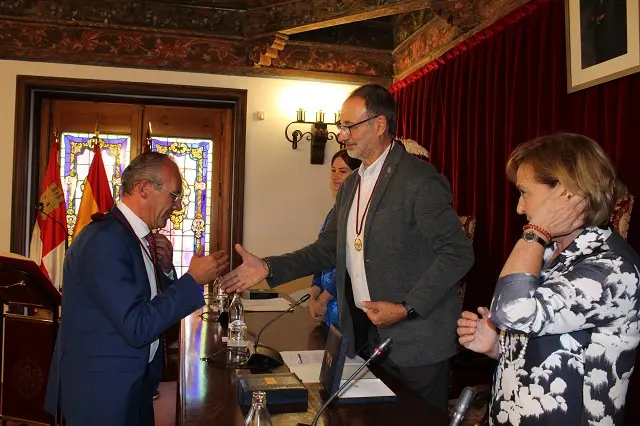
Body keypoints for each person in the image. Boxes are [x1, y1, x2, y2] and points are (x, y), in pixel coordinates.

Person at [221, 83, 474, 413]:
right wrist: (270, 267)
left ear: (379, 125)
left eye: (349, 126)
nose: (341, 136)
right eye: (341, 127)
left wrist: (406, 307)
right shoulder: (351, 185)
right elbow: (328, 248)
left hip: (418, 340)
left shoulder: (418, 179)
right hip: (368, 335)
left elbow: (457, 253)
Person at [457, 133, 640, 425]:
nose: (519, 208)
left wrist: (536, 230)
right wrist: (497, 346)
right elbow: (544, 337)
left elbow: (512, 313)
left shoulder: (612, 267)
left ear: (567, 193)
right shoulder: (547, 252)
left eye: (524, 193)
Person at [44, 152, 229, 426]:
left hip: (133, 385)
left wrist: (166, 270)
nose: (178, 206)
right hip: (102, 396)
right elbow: (137, 325)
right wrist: (193, 280)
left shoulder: (133, 236)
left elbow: (151, 306)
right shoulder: (105, 240)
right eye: (174, 195)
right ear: (144, 189)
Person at [308, 149, 361, 327]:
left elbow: (351, 263)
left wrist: (324, 298)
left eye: (343, 171)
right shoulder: (335, 211)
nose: (335, 176)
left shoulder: (358, 213)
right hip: (326, 301)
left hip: (344, 301)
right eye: (333, 170)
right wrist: (313, 294)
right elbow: (322, 252)